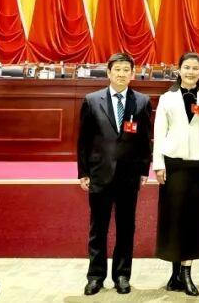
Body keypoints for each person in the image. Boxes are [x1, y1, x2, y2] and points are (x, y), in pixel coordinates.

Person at [77, 52, 153, 296]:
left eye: (126, 70)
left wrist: (144, 169)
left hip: (129, 176)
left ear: (133, 74)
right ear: (109, 72)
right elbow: (84, 140)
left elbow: (145, 139)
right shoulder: (92, 100)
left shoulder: (141, 101)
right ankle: (95, 276)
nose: (121, 74)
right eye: (117, 69)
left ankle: (122, 275)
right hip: (100, 173)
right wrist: (83, 172)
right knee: (97, 228)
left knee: (126, 228)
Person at [153, 51, 199, 297]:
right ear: (179, 70)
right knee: (173, 219)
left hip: (198, 166)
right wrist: (158, 164)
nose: (191, 72)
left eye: (195, 68)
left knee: (193, 219)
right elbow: (159, 132)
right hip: (173, 165)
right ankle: (174, 272)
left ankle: (187, 273)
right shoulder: (167, 98)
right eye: (187, 67)